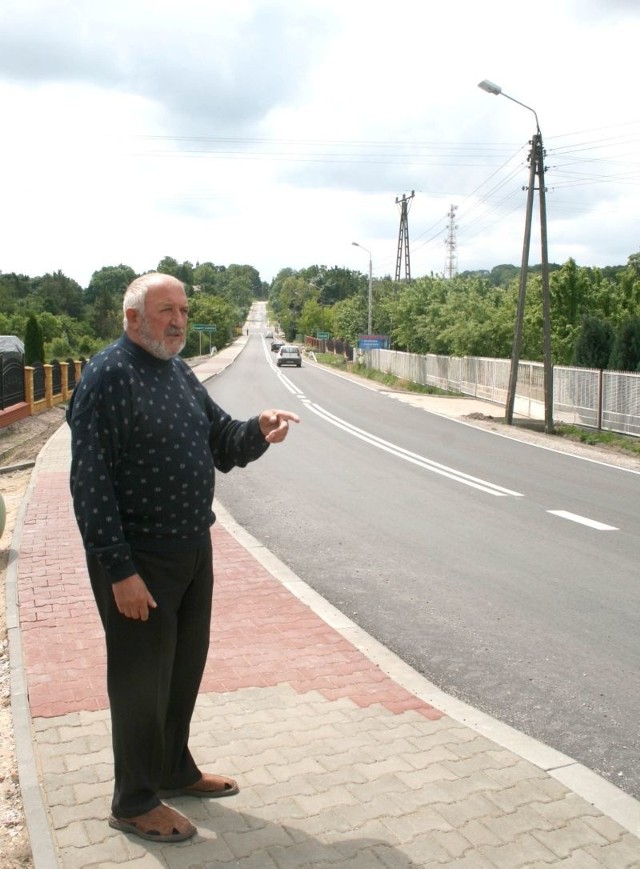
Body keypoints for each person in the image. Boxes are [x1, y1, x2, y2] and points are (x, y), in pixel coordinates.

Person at [67, 272, 300, 843]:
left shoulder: (177, 372)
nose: (178, 320)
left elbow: (221, 441)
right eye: (166, 309)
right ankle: (134, 800)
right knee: (140, 680)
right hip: (139, 559)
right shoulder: (107, 377)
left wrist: (258, 431)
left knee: (181, 671)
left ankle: (172, 768)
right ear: (132, 319)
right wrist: (118, 570)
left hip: (192, 549)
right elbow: (90, 483)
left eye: (184, 310)